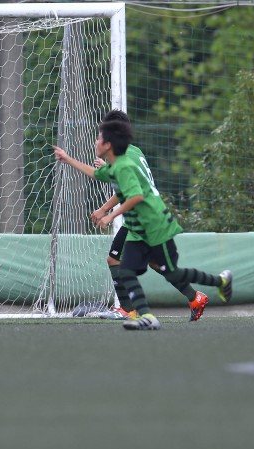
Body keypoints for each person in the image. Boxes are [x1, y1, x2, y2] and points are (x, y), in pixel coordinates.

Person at [53, 119, 232, 331]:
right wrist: (67, 158)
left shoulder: (125, 162)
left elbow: (134, 192)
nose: (96, 139)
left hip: (151, 221)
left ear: (111, 141)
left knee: (116, 261)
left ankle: (130, 310)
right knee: (156, 266)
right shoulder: (129, 154)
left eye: (101, 136)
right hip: (141, 219)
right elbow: (107, 178)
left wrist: (108, 214)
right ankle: (192, 297)